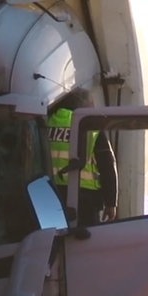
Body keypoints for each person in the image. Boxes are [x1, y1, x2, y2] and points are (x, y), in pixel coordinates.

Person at [46, 93, 118, 226]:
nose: (94, 109)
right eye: (92, 105)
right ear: (82, 106)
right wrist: (111, 203)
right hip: (85, 199)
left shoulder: (46, 123)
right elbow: (107, 166)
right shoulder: (92, 128)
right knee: (85, 242)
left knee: (55, 237)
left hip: (50, 194)